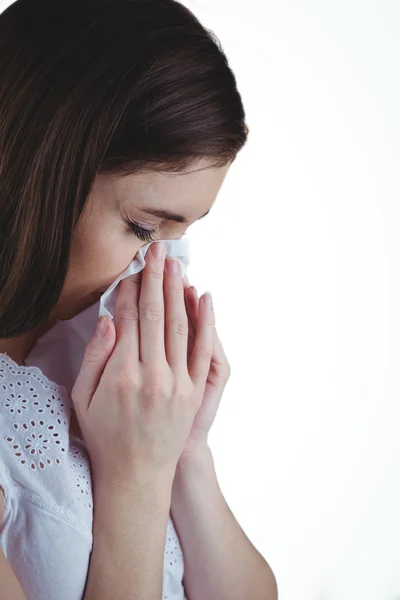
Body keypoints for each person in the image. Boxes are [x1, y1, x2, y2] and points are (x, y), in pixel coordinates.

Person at [0, 0, 278, 599]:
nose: (161, 268)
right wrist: (136, 478)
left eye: (185, 233)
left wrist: (183, 449)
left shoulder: (94, 363)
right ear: (34, 172)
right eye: (146, 228)